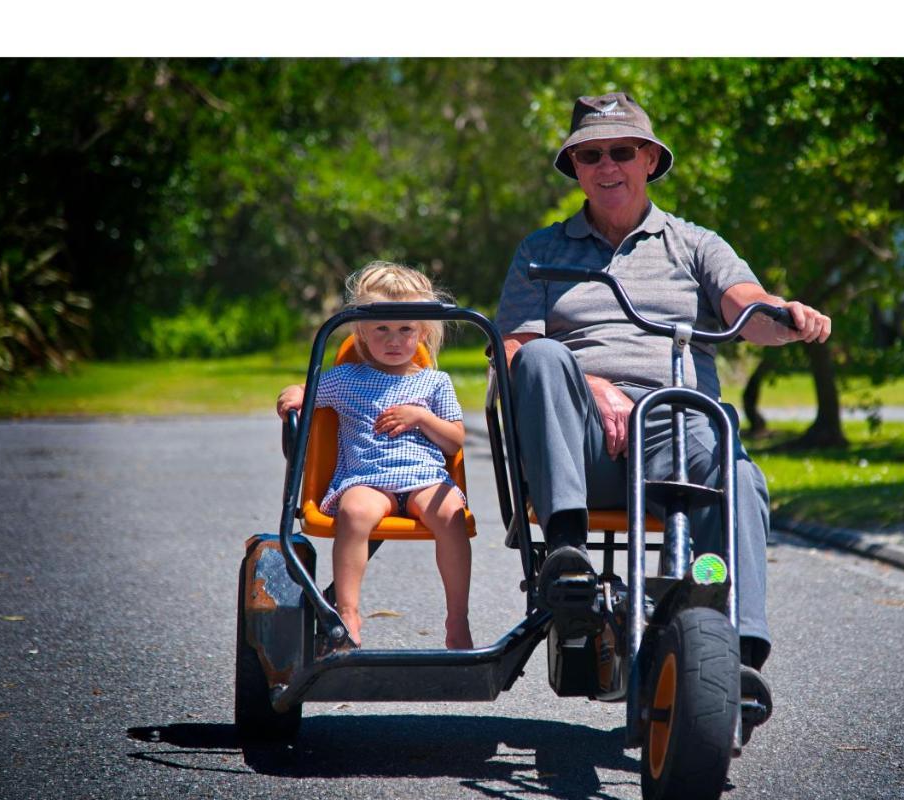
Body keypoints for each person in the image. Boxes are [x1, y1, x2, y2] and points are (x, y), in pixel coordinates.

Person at [496, 92, 831, 706]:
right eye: (589, 155)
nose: (606, 165)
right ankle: (568, 560)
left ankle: (739, 660)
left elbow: (746, 307)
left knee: (740, 477)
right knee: (544, 355)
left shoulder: (695, 244)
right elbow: (514, 353)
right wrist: (590, 386)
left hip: (674, 430)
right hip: (578, 441)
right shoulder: (540, 251)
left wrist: (785, 316)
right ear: (575, 168)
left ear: (649, 158)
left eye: (621, 151)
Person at [276, 262, 473, 651]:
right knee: (355, 512)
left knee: (451, 515)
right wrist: (292, 394)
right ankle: (347, 613)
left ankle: (457, 619)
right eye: (381, 328)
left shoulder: (435, 382)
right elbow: (306, 389)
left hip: (424, 479)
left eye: (405, 330)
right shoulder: (348, 378)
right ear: (362, 331)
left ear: (423, 332)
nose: (394, 339)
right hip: (368, 479)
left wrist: (421, 417)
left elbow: (454, 441)